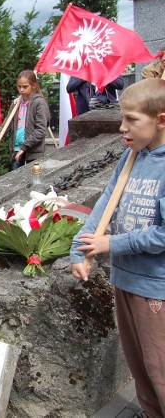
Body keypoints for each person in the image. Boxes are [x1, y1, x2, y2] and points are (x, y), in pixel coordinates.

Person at [70, 78, 165, 418]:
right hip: (125, 281)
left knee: (160, 371)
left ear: (161, 120)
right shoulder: (131, 155)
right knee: (140, 371)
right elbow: (104, 206)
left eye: (132, 120)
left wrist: (111, 243)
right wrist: (78, 252)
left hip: (155, 289)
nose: (122, 127)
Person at [5, 70, 50, 169]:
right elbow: (5, 125)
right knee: (16, 180)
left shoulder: (39, 103)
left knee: (34, 179)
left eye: (25, 87)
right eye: (19, 87)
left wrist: (24, 147)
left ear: (33, 86)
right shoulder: (16, 103)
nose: (21, 90)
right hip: (17, 149)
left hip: (34, 152)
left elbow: (41, 130)